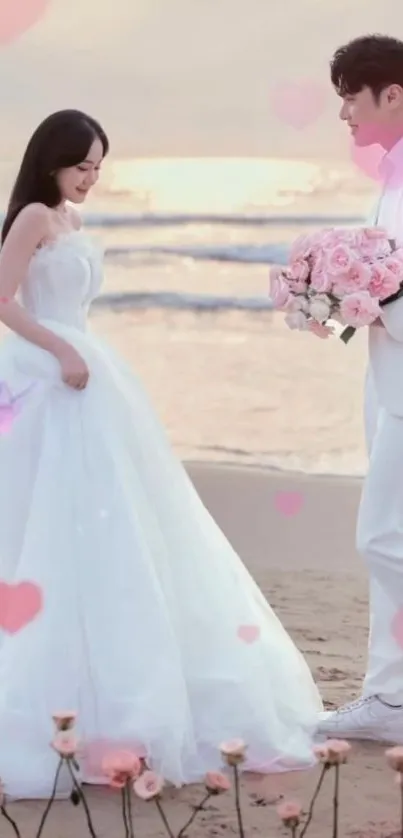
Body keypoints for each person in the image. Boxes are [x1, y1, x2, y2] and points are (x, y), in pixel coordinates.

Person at [0, 109, 322, 800]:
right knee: (49, 525)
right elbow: (3, 299)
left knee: (125, 527)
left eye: (97, 168)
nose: (89, 179)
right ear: (50, 161)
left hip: (90, 373)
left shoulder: (74, 222)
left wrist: (75, 349)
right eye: (80, 166)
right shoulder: (31, 216)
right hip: (55, 369)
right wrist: (58, 350)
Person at [318, 35, 403, 743]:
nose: (343, 112)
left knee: (381, 538)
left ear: (391, 94)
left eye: (350, 95)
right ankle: (388, 698)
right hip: (384, 379)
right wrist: (334, 294)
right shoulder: (392, 176)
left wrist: (365, 292)